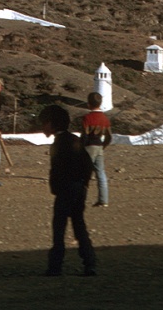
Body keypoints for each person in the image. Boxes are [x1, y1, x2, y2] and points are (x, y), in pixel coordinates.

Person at [40, 104, 95, 277]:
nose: (43, 127)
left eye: (45, 123)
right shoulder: (74, 140)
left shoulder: (58, 144)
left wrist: (55, 188)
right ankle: (90, 263)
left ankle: (55, 266)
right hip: (79, 188)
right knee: (79, 226)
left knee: (59, 228)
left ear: (52, 124)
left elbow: (56, 170)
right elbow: (88, 164)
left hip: (65, 190)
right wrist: (84, 184)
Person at [79, 93, 112, 207]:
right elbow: (109, 137)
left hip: (88, 147)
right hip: (99, 147)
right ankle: (103, 200)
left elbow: (84, 135)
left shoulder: (87, 118)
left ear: (88, 104)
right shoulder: (105, 119)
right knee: (101, 174)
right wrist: (103, 146)